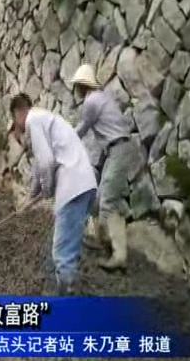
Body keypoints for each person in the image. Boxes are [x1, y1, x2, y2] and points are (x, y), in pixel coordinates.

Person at [9, 93, 97, 295]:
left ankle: (67, 308)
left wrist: (47, 190)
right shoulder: (44, 118)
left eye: (15, 120)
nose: (18, 127)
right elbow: (41, 166)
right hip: (84, 183)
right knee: (67, 249)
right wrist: (31, 197)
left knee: (61, 254)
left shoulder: (32, 120)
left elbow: (47, 162)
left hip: (73, 185)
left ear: (18, 113)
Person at [71, 64, 132, 272]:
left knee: (108, 201)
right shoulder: (103, 96)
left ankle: (119, 256)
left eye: (77, 86)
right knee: (97, 196)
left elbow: (82, 129)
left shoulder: (91, 101)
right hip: (115, 149)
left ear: (82, 85)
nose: (76, 90)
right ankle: (97, 237)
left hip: (119, 149)